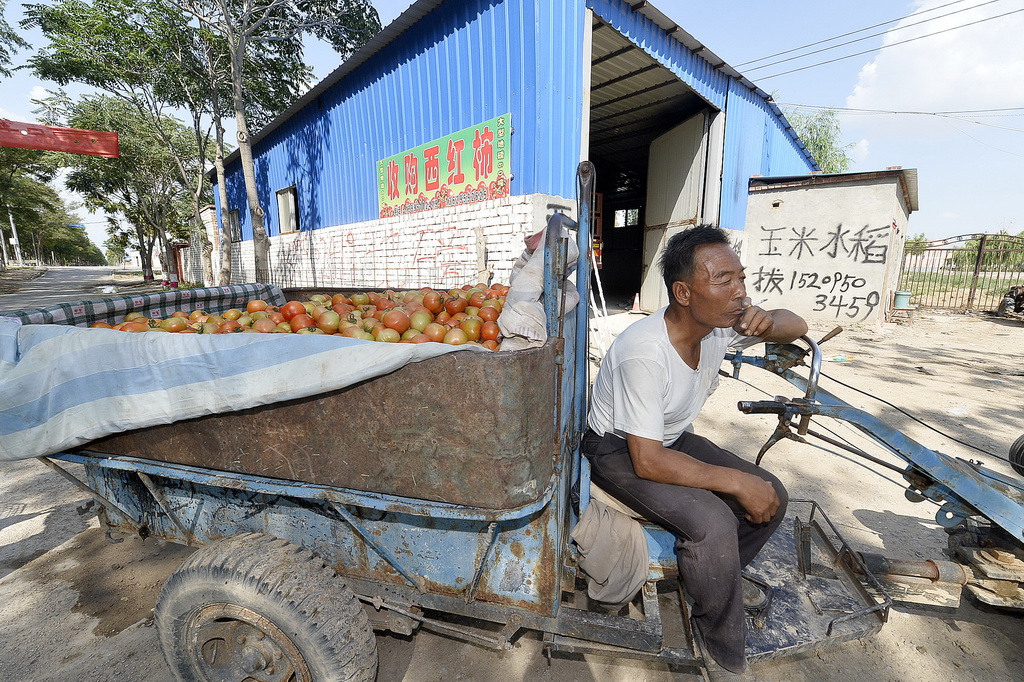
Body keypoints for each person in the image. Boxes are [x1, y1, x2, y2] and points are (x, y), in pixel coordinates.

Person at [583, 224, 808, 675]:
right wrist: (735, 481)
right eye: (723, 280)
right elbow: (646, 460)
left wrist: (768, 320)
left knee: (774, 494)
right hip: (619, 450)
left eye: (741, 278)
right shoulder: (643, 351)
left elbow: (797, 325)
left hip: (667, 437)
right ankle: (720, 645)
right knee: (713, 521)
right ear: (684, 292)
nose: (739, 291)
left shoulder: (719, 327)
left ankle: (710, 581)